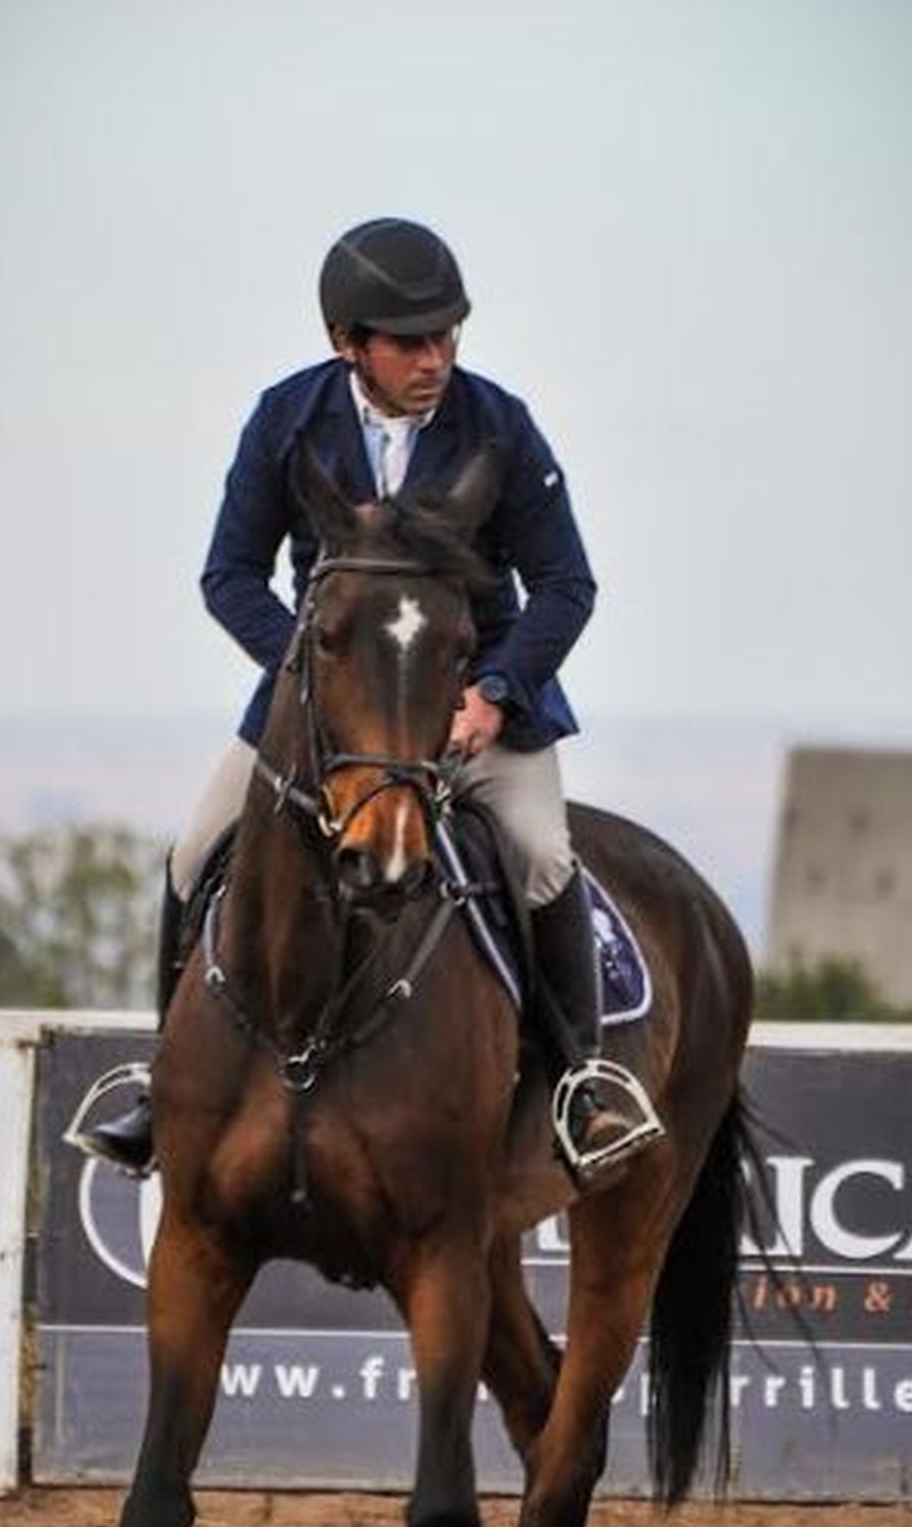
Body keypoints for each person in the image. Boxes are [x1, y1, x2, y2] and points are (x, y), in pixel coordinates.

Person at [81, 217, 661, 1183]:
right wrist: (314, 681)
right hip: (330, 710)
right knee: (193, 853)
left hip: (474, 702)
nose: (435, 359)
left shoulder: (501, 426)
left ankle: (581, 1084)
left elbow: (568, 586)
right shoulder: (286, 419)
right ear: (347, 343)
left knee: (544, 857)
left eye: (448, 337)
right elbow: (230, 576)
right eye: (409, 342)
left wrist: (497, 695)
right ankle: (161, 1082)